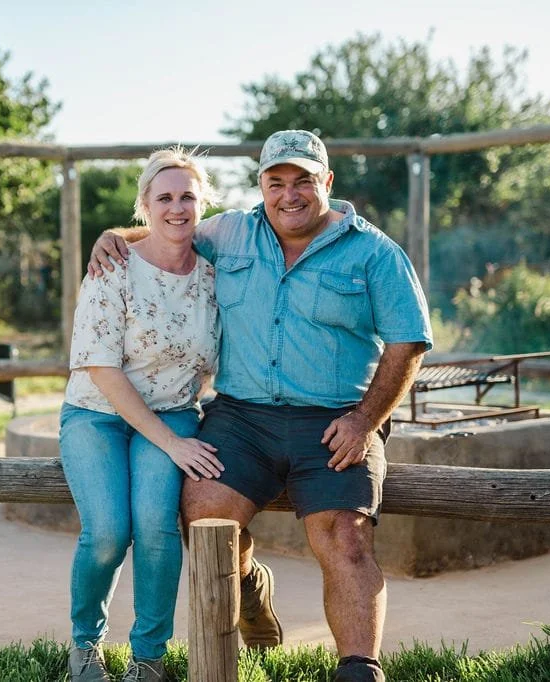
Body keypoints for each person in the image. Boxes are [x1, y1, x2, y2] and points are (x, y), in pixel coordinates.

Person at [89, 130, 432, 682]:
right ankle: (248, 591)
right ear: (261, 186)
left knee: (344, 533)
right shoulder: (231, 232)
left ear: (327, 182)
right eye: (277, 183)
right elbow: (170, 228)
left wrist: (366, 420)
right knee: (204, 518)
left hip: (336, 420)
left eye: (302, 181)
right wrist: (113, 234)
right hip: (243, 418)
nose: (289, 195)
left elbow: (408, 342)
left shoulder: (375, 252)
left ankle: (358, 669)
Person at [61, 146, 224, 682]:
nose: (177, 208)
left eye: (187, 197)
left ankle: (149, 659)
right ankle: (85, 646)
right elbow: (102, 369)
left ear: (203, 205)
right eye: (165, 197)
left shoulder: (215, 277)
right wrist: (172, 444)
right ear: (145, 207)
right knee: (108, 530)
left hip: (174, 411)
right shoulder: (111, 267)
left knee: (156, 526)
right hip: (96, 414)